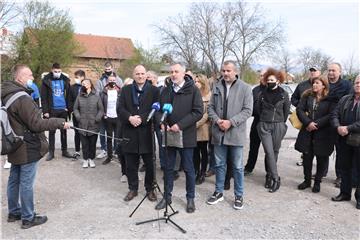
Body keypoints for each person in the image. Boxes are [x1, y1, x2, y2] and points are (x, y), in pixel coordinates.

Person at [2, 64, 71, 229]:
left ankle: (14, 212)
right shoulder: (22, 98)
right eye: (30, 75)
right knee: (25, 182)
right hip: (27, 145)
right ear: (20, 77)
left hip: (14, 143)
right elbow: (36, 124)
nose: (32, 78)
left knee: (14, 178)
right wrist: (60, 123)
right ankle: (28, 217)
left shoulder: (6, 94)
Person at [155, 63, 203, 213]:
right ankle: (167, 197)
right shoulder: (166, 90)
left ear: (183, 74)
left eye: (176, 71)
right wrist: (161, 123)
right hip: (169, 134)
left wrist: (180, 125)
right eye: (171, 72)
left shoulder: (193, 90)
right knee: (168, 168)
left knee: (188, 168)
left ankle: (190, 199)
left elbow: (198, 112)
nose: (173, 74)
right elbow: (159, 111)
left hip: (186, 135)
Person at [206, 60, 253, 210]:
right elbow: (211, 108)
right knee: (219, 164)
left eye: (228, 71)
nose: (225, 73)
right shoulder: (216, 86)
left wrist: (230, 122)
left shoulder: (245, 88)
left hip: (235, 133)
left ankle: (239, 195)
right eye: (223, 71)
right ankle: (218, 192)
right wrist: (218, 120)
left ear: (236, 72)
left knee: (238, 167)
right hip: (218, 132)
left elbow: (248, 110)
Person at [118, 65, 160, 202]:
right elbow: (120, 108)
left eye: (142, 74)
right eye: (137, 74)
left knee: (149, 164)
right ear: (133, 75)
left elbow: (156, 109)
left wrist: (141, 118)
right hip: (129, 131)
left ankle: (150, 189)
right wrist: (129, 117)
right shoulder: (125, 90)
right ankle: (133, 189)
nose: (140, 76)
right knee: (131, 164)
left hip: (146, 131)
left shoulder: (154, 91)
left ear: (146, 75)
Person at [295, 76, 336, 192]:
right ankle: (307, 180)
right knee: (307, 158)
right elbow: (300, 110)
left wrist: (316, 124)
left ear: (324, 85)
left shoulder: (330, 99)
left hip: (323, 134)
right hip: (307, 132)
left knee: (321, 159)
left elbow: (331, 115)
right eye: (313, 83)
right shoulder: (307, 96)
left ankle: (317, 182)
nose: (314, 85)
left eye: (317, 83)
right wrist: (308, 123)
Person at [256, 68, 290, 193]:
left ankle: (269, 175)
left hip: (278, 125)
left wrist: (280, 123)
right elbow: (258, 110)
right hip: (264, 125)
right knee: (269, 152)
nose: (270, 81)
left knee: (275, 152)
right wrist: (265, 120)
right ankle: (276, 178)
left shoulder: (284, 94)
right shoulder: (262, 94)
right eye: (268, 79)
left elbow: (286, 112)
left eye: (272, 80)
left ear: (278, 80)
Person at [331, 75, 360, 209]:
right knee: (344, 167)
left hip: (358, 139)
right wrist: (338, 127)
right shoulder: (345, 99)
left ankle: (359, 198)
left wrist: (348, 128)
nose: (358, 84)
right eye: (356, 82)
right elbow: (335, 114)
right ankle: (344, 193)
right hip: (343, 138)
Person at [326, 63, 353, 188]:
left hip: (339, 122)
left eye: (334, 70)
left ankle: (340, 176)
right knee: (323, 148)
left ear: (340, 72)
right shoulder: (324, 83)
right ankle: (321, 172)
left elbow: (349, 101)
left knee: (340, 152)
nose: (331, 73)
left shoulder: (347, 85)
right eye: (329, 70)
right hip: (324, 121)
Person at [41, 63, 73, 160]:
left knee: (64, 131)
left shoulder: (65, 80)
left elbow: (69, 96)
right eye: (55, 71)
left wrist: (69, 108)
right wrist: (45, 110)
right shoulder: (46, 80)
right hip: (52, 110)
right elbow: (44, 97)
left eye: (59, 71)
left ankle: (65, 150)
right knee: (52, 132)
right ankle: (51, 152)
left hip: (63, 109)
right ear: (52, 70)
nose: (57, 73)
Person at [291, 66, 321, 166]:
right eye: (311, 71)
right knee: (305, 140)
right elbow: (293, 98)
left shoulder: (324, 84)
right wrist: (301, 105)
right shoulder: (302, 85)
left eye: (315, 71)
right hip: (304, 117)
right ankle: (305, 160)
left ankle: (320, 165)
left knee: (319, 142)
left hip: (319, 119)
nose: (312, 72)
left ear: (319, 72)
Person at [73, 79, 104, 168]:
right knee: (84, 144)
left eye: (86, 83)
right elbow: (75, 109)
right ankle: (85, 159)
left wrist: (97, 119)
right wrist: (78, 117)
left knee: (92, 143)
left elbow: (101, 110)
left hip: (93, 124)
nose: (84, 84)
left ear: (90, 84)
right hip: (82, 124)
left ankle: (91, 159)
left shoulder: (96, 96)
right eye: (83, 83)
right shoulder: (79, 96)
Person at [95, 61, 123, 160]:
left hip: (116, 116)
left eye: (109, 69)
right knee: (104, 133)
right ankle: (104, 150)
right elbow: (99, 99)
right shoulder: (100, 81)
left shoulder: (119, 81)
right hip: (106, 114)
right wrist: (103, 113)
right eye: (106, 69)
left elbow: (122, 98)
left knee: (117, 134)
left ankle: (116, 150)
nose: (108, 71)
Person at [244, 69, 267, 175]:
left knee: (269, 150)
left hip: (268, 124)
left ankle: (269, 172)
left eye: (264, 75)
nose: (262, 77)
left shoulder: (274, 90)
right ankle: (249, 167)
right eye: (261, 75)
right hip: (257, 121)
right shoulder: (255, 90)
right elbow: (250, 106)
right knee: (253, 147)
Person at [100, 73, 122, 165]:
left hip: (117, 118)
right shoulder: (104, 92)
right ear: (107, 82)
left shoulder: (120, 92)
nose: (112, 82)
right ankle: (109, 156)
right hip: (108, 117)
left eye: (113, 81)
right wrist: (104, 114)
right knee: (109, 138)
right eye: (110, 81)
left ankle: (119, 155)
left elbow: (123, 104)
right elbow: (100, 104)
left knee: (117, 138)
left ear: (116, 81)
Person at [193, 74, 211, 185]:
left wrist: (197, 123)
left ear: (203, 83)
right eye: (195, 81)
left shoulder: (209, 96)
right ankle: (196, 171)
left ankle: (203, 172)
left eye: (198, 81)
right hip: (192, 128)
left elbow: (207, 114)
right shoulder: (193, 94)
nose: (196, 83)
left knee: (203, 151)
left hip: (203, 128)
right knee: (195, 152)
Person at [68, 70, 86, 159]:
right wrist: (72, 110)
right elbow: (69, 100)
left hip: (86, 114)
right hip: (76, 114)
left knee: (86, 132)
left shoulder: (88, 87)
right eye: (75, 77)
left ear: (83, 77)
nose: (75, 79)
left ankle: (87, 150)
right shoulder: (72, 88)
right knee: (77, 132)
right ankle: (77, 150)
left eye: (77, 77)